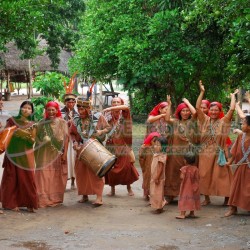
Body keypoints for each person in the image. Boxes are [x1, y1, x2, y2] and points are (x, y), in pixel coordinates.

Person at [196, 81, 238, 206]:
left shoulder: (223, 121)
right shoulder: (204, 119)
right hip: (205, 153)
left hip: (219, 153)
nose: (213, 112)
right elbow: (198, 107)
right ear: (208, 110)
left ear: (219, 111)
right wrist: (202, 92)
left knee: (223, 175)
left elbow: (231, 109)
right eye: (212, 110)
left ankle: (227, 198)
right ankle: (207, 198)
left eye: (216, 110)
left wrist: (232, 97)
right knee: (204, 175)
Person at [70, 98, 111, 205]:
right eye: (78, 109)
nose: (80, 112)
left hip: (96, 148)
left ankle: (99, 197)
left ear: (89, 108)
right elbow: (72, 133)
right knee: (81, 173)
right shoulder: (75, 119)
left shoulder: (98, 117)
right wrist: (74, 142)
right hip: (81, 149)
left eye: (83, 109)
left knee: (97, 172)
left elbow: (108, 127)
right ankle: (84, 195)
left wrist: (101, 131)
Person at [0, 101, 38, 212]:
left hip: (26, 154)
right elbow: (5, 135)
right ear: (20, 109)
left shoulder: (33, 124)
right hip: (12, 153)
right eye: (24, 107)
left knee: (27, 178)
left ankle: (30, 203)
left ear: (32, 111)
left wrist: (27, 137)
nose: (26, 110)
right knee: (11, 178)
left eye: (29, 108)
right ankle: (10, 203)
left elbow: (32, 142)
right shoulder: (12, 120)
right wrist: (15, 132)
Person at [34, 101, 69, 208]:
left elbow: (66, 139)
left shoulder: (62, 122)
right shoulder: (41, 122)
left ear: (57, 110)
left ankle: (55, 199)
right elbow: (36, 137)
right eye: (48, 110)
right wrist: (43, 142)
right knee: (43, 177)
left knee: (55, 176)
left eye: (53, 109)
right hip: (44, 155)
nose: (51, 112)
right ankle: (42, 200)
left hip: (57, 154)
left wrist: (64, 154)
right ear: (46, 111)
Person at [164, 95, 197, 203]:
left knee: (187, 174)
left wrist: (187, 101)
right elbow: (167, 118)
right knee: (172, 173)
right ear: (179, 112)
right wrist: (169, 105)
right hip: (174, 153)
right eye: (183, 110)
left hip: (187, 154)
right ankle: (171, 195)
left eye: (187, 110)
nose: (186, 112)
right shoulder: (175, 122)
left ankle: (186, 196)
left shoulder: (192, 122)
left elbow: (195, 113)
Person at [103, 97, 139, 196]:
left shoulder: (124, 113)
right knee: (111, 167)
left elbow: (126, 107)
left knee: (127, 167)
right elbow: (104, 128)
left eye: (117, 102)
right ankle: (112, 189)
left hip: (123, 144)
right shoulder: (107, 115)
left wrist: (110, 108)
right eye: (113, 102)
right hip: (111, 144)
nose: (115, 104)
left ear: (121, 103)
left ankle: (129, 187)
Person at [224, 114, 250, 217]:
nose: (241, 125)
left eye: (243, 123)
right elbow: (234, 151)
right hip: (240, 167)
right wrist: (229, 162)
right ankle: (233, 208)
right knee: (235, 187)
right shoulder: (240, 136)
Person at [61, 93, 78, 189]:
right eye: (69, 102)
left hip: (73, 139)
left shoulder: (78, 113)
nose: (71, 104)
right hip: (63, 139)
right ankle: (63, 182)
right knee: (64, 160)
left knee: (73, 159)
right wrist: (66, 123)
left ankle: (73, 181)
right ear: (65, 102)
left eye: (73, 102)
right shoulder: (60, 112)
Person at [176, 151, 200, 219]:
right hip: (194, 187)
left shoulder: (184, 168)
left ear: (185, 160)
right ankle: (192, 213)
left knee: (184, 200)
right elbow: (198, 177)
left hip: (186, 187)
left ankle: (182, 214)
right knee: (193, 199)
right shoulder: (196, 169)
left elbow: (181, 177)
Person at [139, 132, 160, 200]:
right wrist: (143, 166)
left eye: (157, 140)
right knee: (147, 180)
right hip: (147, 166)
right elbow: (141, 157)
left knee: (154, 180)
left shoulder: (158, 147)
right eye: (154, 140)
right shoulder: (145, 147)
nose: (155, 142)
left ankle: (153, 194)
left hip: (155, 167)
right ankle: (146, 194)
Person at [150, 137, 168, 213]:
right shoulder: (157, 154)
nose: (155, 146)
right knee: (154, 192)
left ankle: (159, 207)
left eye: (158, 145)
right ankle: (158, 205)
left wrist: (157, 178)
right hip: (154, 177)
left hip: (158, 178)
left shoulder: (162, 156)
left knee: (158, 193)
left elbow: (160, 168)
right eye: (155, 144)